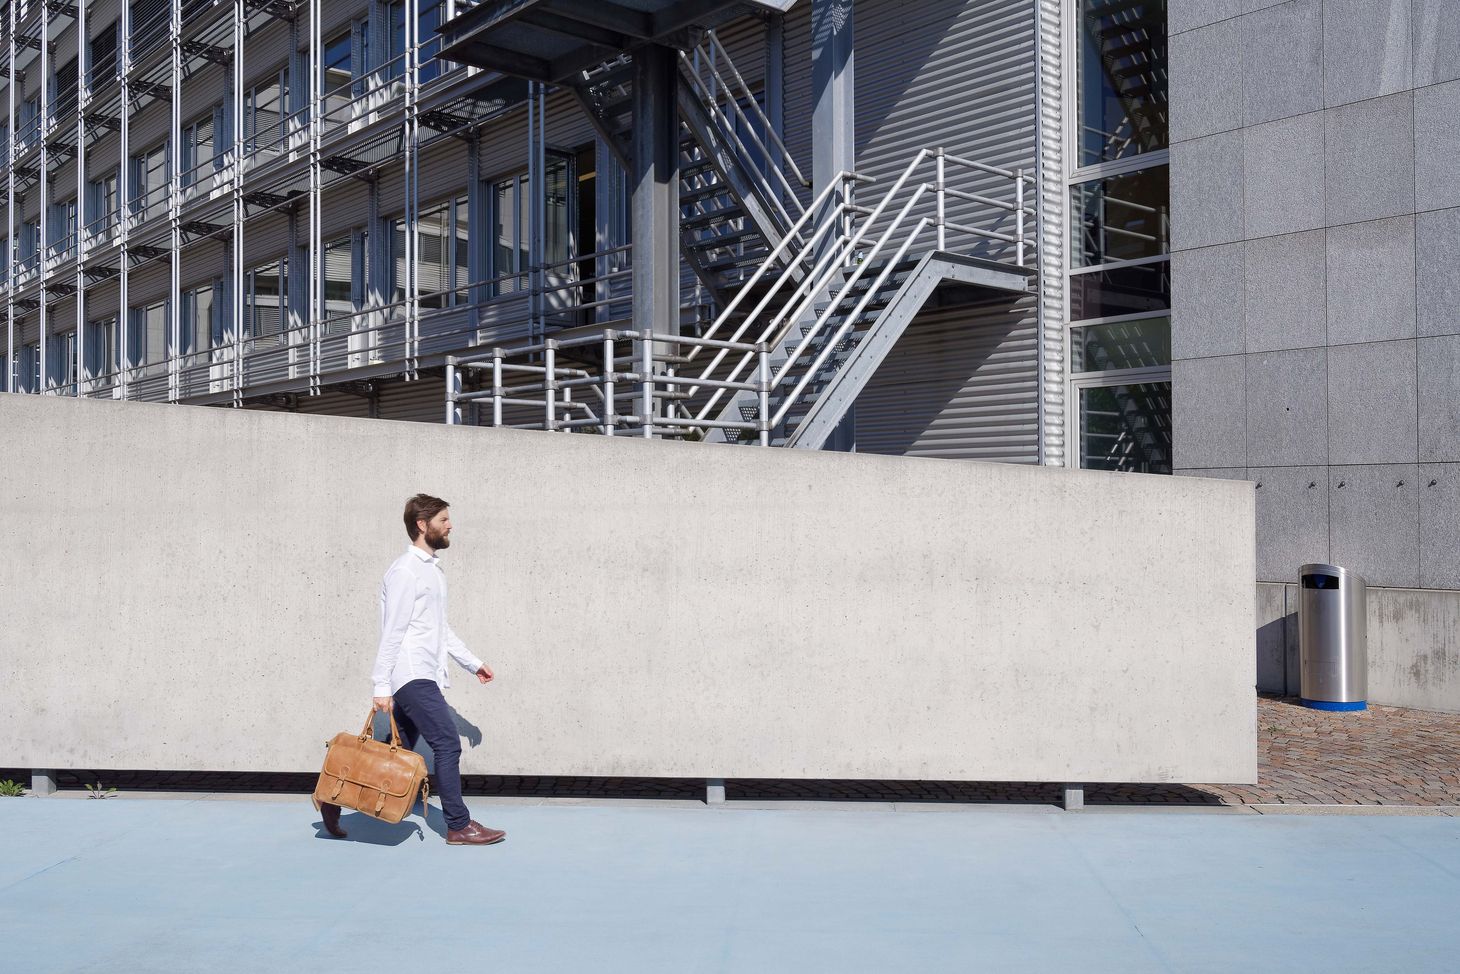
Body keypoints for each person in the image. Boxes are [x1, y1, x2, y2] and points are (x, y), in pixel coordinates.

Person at [319, 493, 506, 846]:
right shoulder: (405, 571)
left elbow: (439, 629)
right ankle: (458, 825)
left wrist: (473, 663)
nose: (450, 525)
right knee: (447, 743)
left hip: (422, 671)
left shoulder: (431, 572)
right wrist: (381, 685)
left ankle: (331, 799)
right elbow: (394, 630)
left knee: (390, 746)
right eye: (443, 520)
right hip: (410, 673)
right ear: (423, 525)